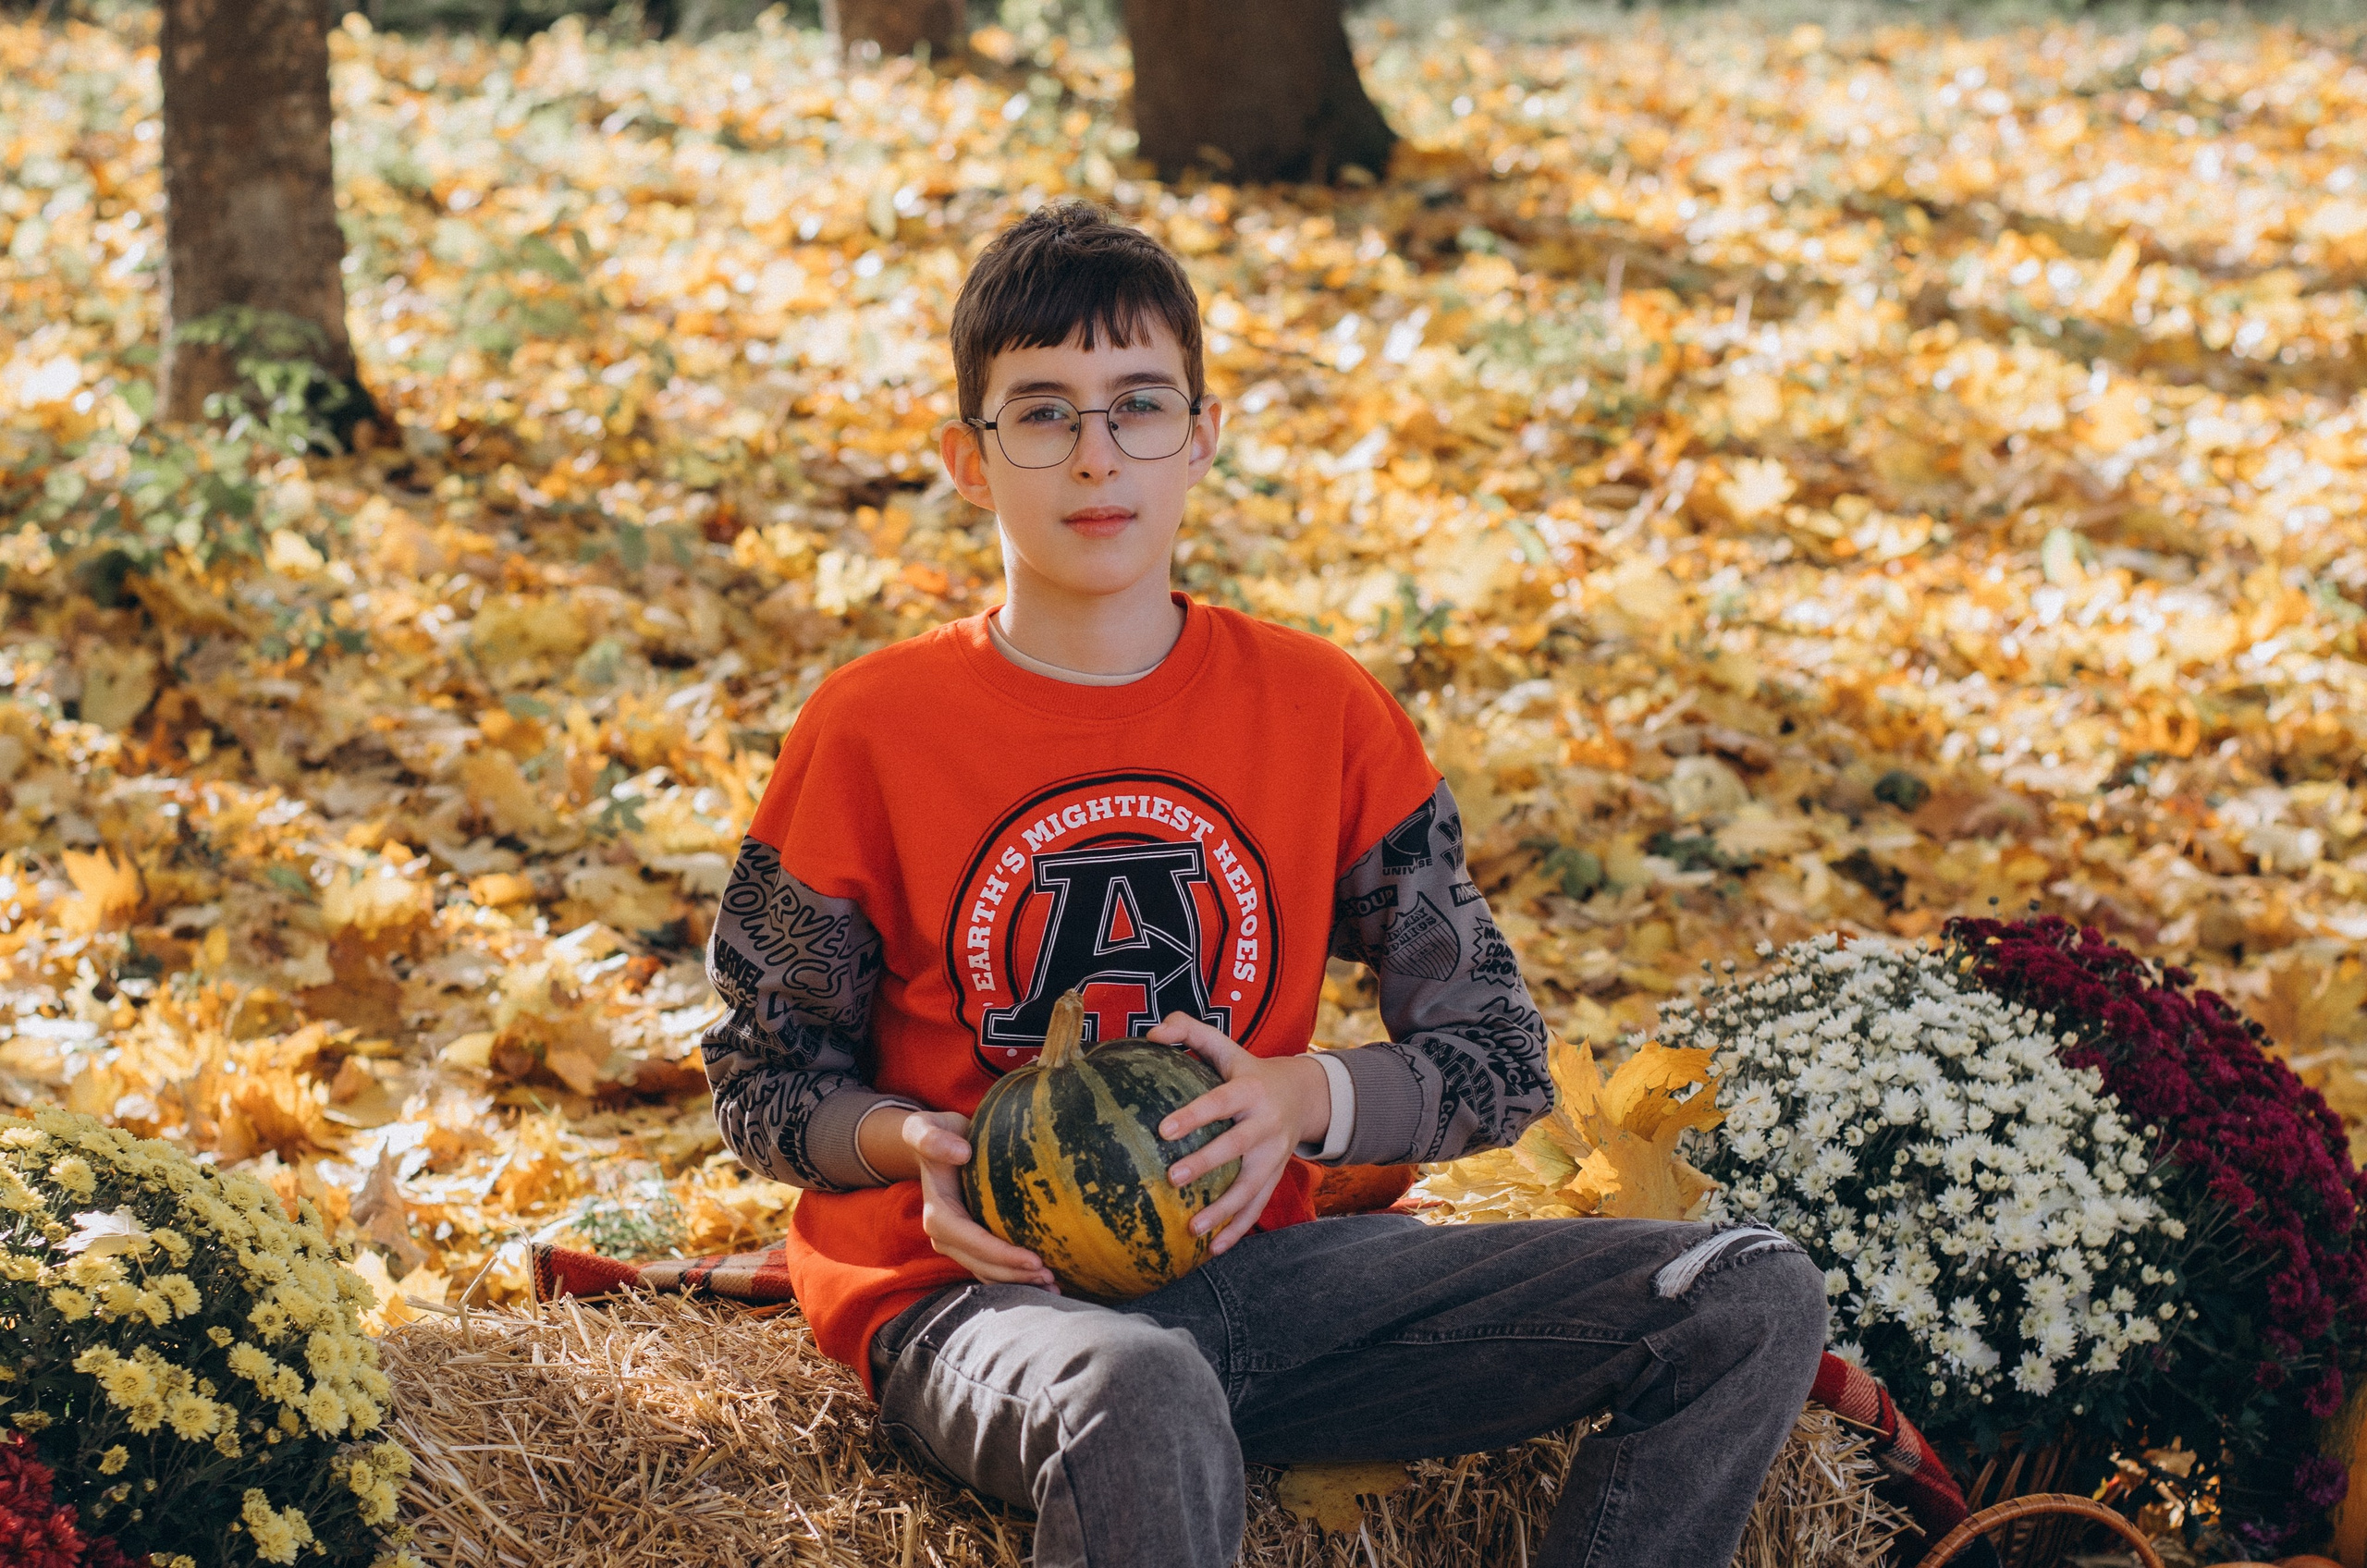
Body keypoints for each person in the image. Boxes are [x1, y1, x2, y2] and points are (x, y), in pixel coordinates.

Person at [700, 199, 1827, 1568]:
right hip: (980, 1298)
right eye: (1043, 414)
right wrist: (914, 1145)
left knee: (1741, 1292)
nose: (1097, 454)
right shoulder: (869, 729)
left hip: (1269, 1285)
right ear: (968, 461)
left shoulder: (1322, 709)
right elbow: (762, 1083)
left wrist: (1302, 1099)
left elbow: (1498, 1058)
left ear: (1203, 438)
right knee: (1140, 1388)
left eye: (1139, 406)